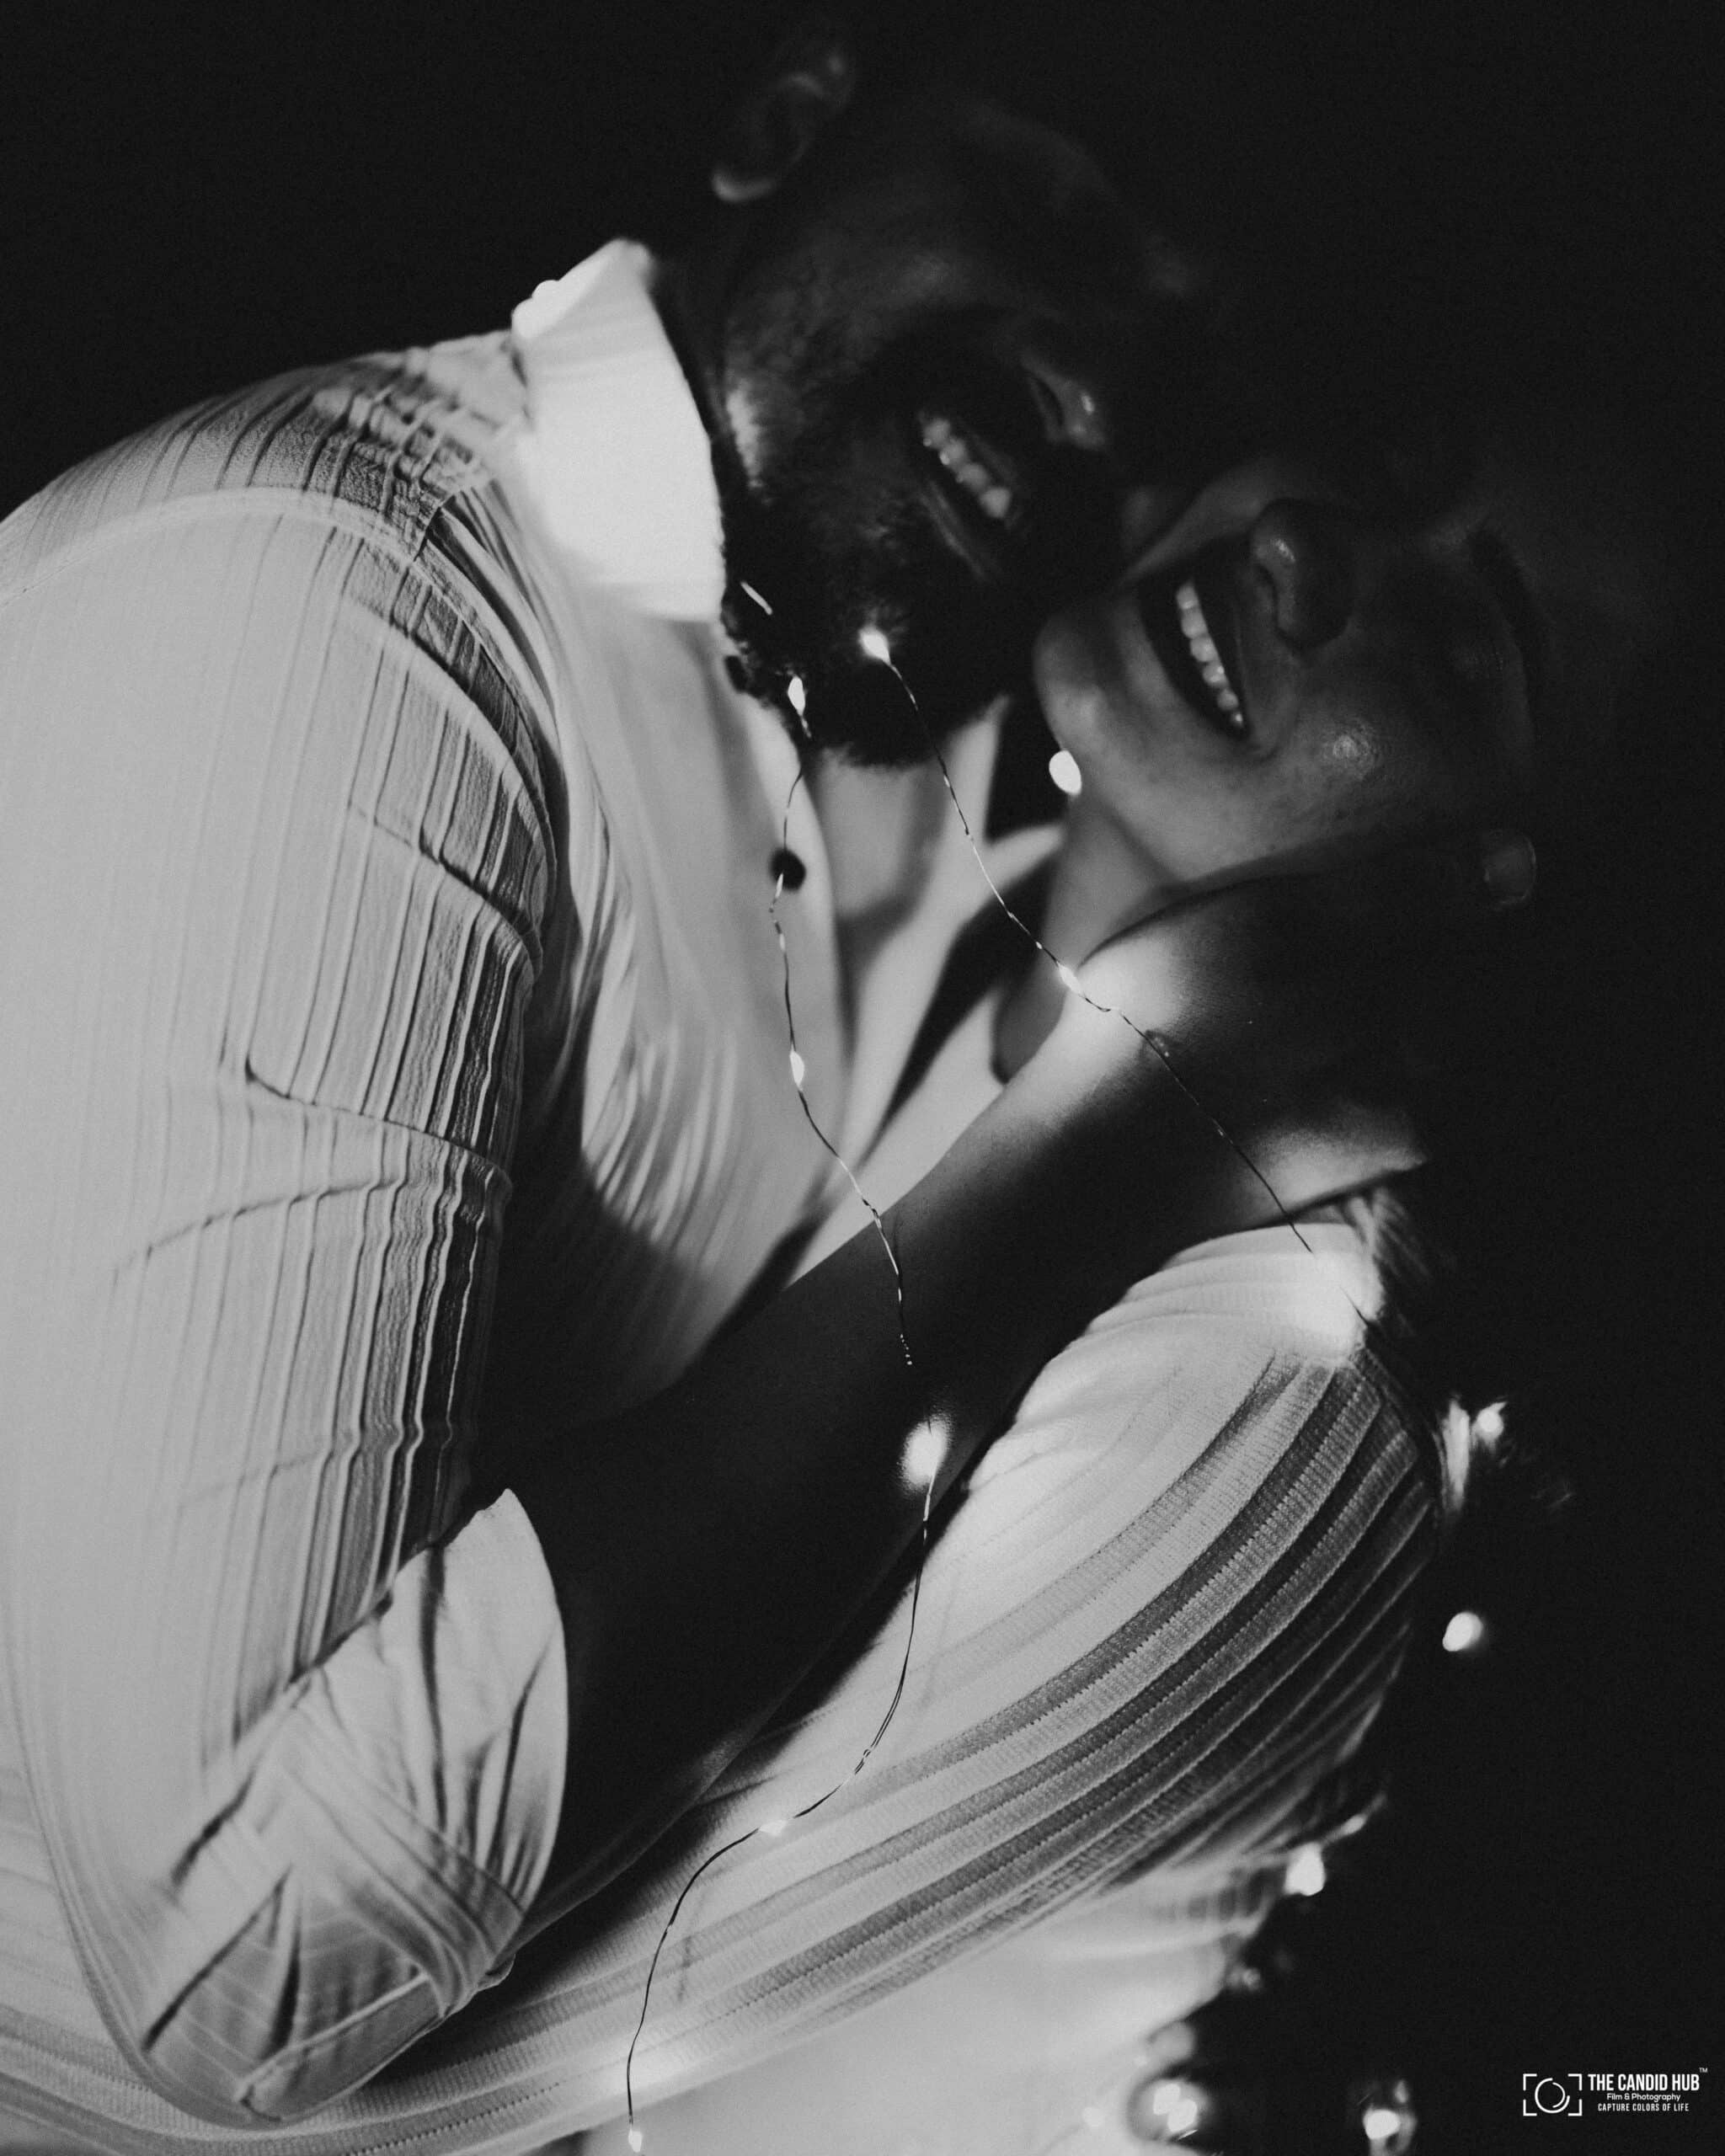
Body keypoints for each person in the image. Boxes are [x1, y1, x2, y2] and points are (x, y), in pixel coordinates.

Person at [0, 7, 1667, 2153]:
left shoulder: (1281, 1389)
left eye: (1457, 647)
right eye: (1065, 212)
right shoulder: (361, 610)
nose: (1114, 409)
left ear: (1514, 888)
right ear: (789, 115)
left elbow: (407, 2028)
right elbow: (257, 1949)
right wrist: (1117, 1130)